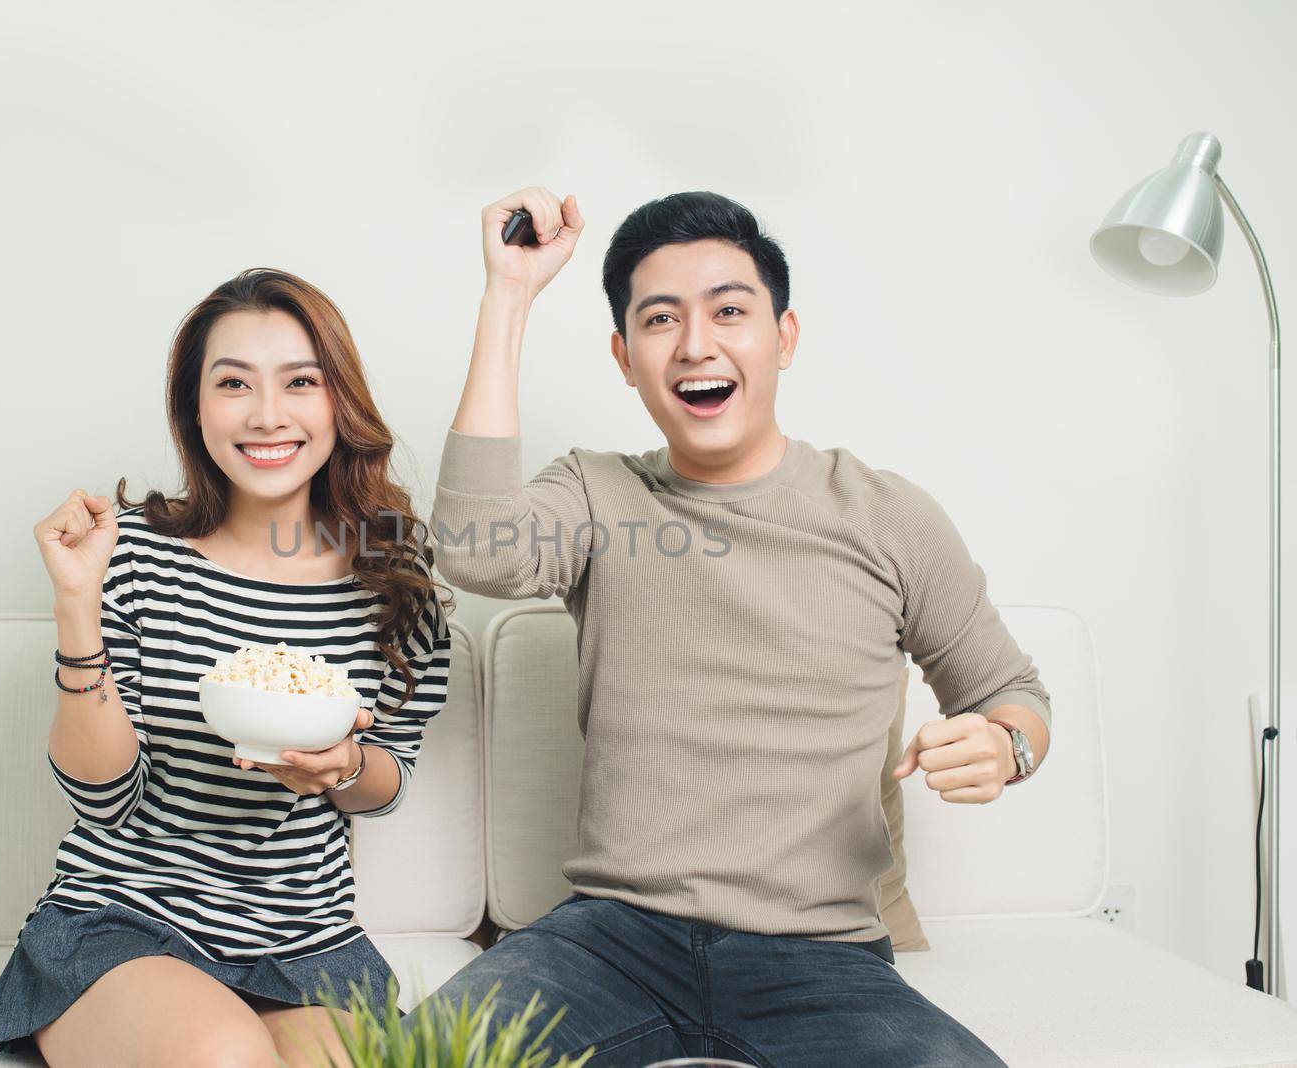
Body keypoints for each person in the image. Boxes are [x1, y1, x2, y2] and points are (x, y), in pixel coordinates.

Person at [417, 187, 1052, 1067]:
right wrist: (510, 294)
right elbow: (474, 551)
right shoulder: (602, 493)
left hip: (820, 959)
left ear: (783, 338)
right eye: (660, 320)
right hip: (609, 944)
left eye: (729, 312)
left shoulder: (887, 515)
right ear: (624, 357)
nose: (696, 345)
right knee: (423, 1055)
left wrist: (1007, 745)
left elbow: (1010, 694)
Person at [0, 267, 454, 1067]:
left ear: (338, 400)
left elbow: (390, 778)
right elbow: (103, 797)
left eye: (301, 382)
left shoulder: (393, 579)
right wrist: (77, 608)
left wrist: (343, 768)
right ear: (194, 409)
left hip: (306, 943)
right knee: (224, 1056)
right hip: (125, 921)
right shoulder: (132, 557)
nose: (267, 414)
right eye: (233, 383)